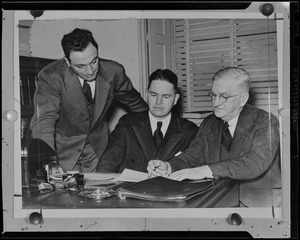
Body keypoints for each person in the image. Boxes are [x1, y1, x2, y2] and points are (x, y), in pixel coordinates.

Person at [147, 67, 281, 207]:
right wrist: (169, 166)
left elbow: (255, 162)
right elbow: (194, 155)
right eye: (213, 95)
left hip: (259, 204)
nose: (216, 103)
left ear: (243, 99)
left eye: (224, 97)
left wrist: (206, 170)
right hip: (220, 201)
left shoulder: (266, 122)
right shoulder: (209, 123)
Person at [30, 28, 148, 174]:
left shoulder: (113, 72)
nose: (90, 71)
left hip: (98, 149)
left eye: (94, 61)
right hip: (63, 152)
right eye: (80, 66)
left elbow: (136, 103)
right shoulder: (51, 76)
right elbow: (44, 121)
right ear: (67, 62)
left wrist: (158, 122)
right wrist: (48, 161)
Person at [96, 69, 198, 173]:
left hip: (170, 188)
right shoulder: (127, 124)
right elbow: (107, 164)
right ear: (146, 94)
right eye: (153, 95)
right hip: (130, 188)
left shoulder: (189, 130)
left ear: (175, 99)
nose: (158, 102)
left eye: (166, 96)